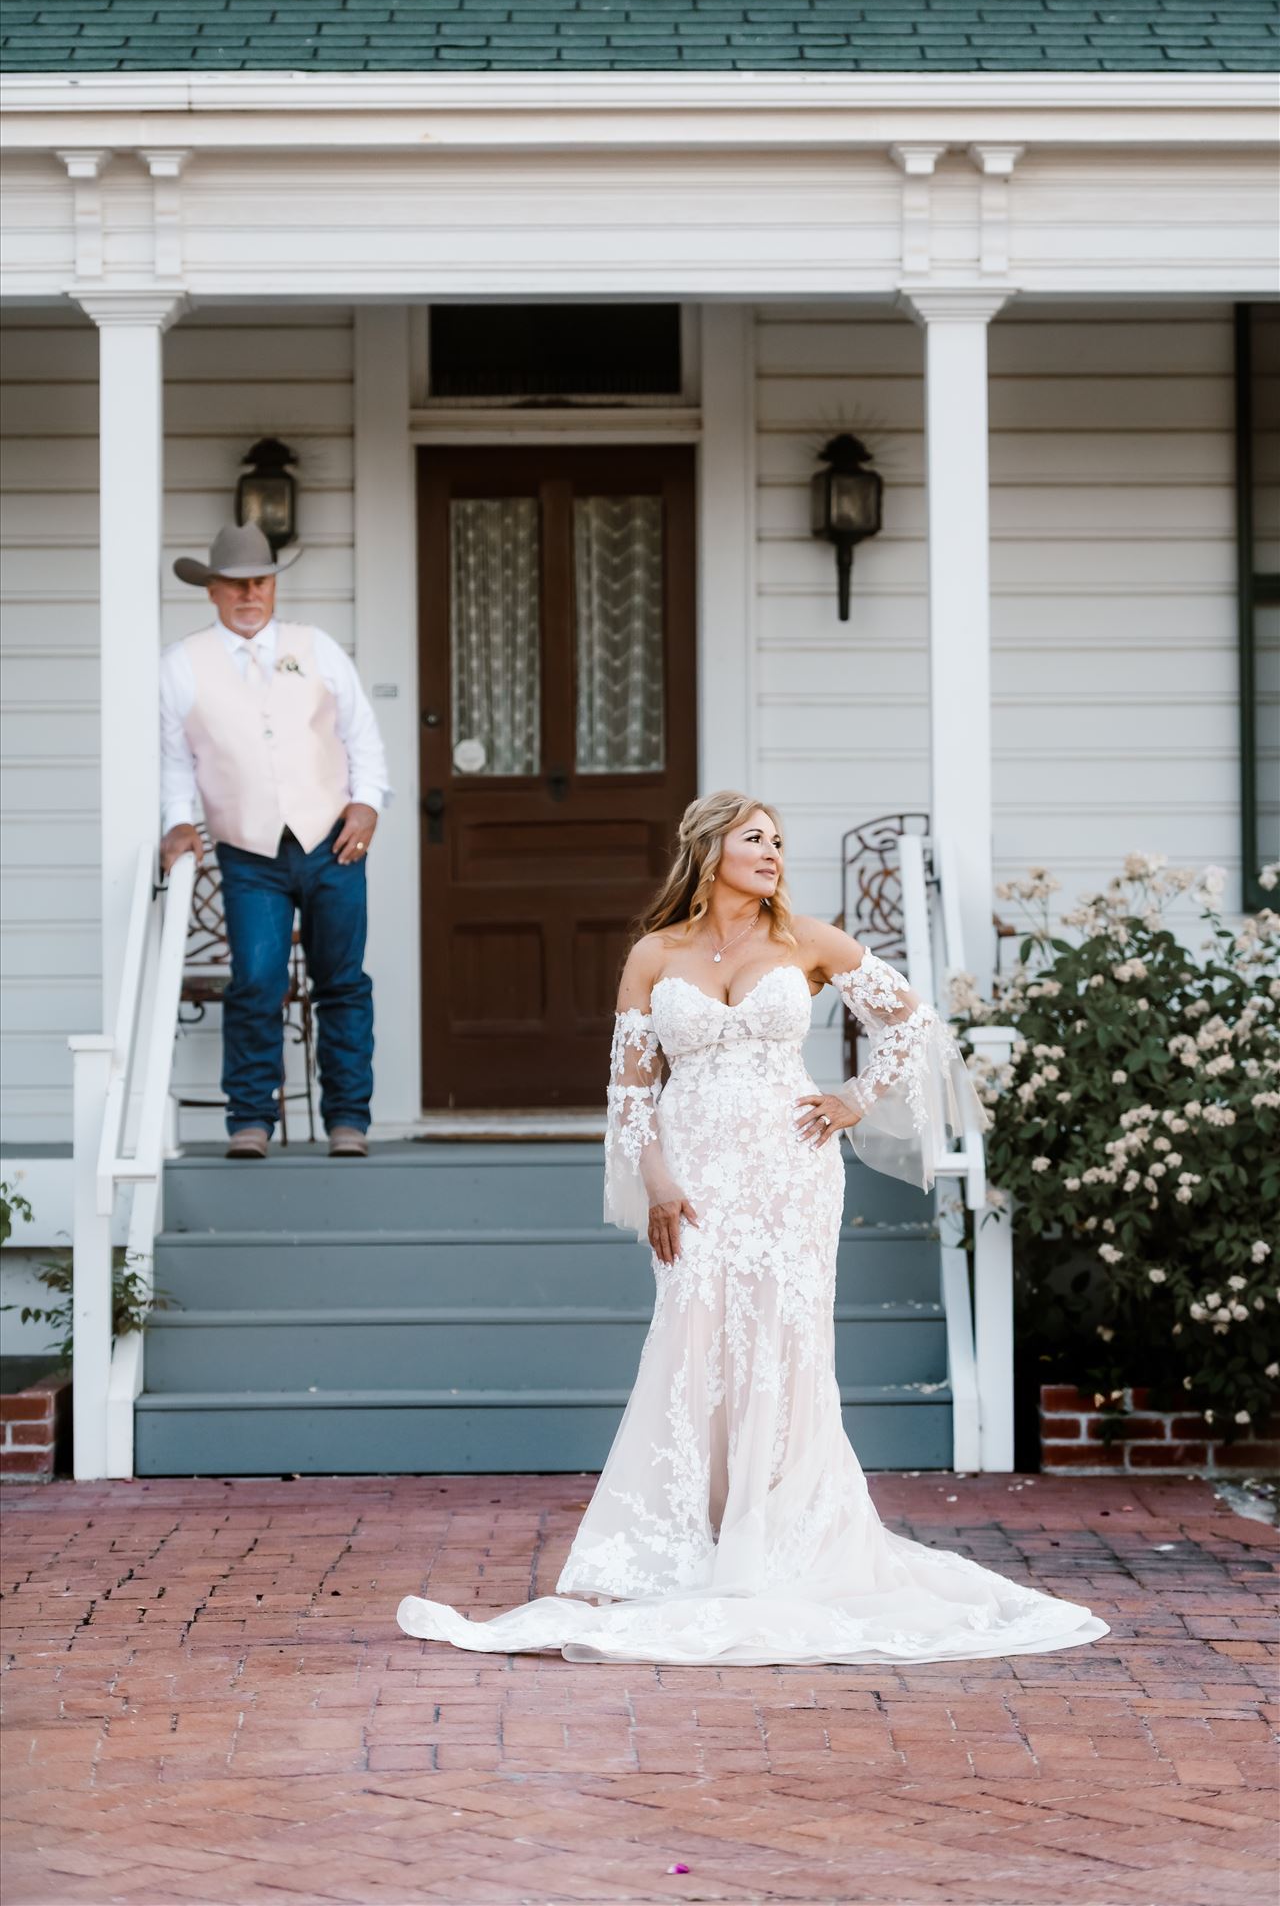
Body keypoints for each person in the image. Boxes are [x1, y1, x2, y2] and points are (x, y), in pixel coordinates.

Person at [397, 790, 1109, 1666]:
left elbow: (911, 1021)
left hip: (791, 1171)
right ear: (708, 850)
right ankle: (682, 1539)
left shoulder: (806, 940)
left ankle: (777, 1536)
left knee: (786, 1341)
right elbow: (630, 1086)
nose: (772, 852)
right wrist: (655, 1178)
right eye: (754, 839)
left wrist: (855, 1098)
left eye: (778, 839)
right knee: (692, 1338)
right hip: (694, 1178)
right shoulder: (653, 955)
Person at [160, 522, 390, 1161]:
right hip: (247, 852)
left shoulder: (315, 647)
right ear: (212, 591)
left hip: (331, 842)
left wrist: (367, 804)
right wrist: (178, 820)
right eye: (234, 584)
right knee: (257, 981)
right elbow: (172, 759)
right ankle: (250, 1120)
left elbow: (361, 734)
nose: (248, 594)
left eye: (258, 582)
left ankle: (348, 1119)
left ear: (272, 585)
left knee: (341, 981)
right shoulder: (182, 664)